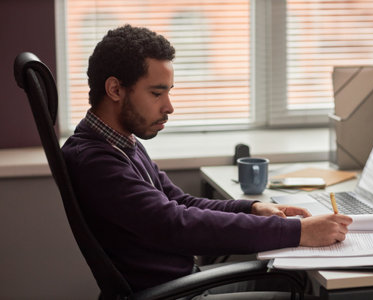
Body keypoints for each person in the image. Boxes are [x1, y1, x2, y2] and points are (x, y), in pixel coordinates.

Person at [62, 24, 352, 297]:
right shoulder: (97, 161)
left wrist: (252, 208)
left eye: (168, 92)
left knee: (294, 279)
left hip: (183, 283)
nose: (169, 107)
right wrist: (298, 231)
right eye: (156, 93)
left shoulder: (120, 142)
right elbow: (177, 224)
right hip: (175, 294)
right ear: (115, 89)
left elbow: (180, 202)